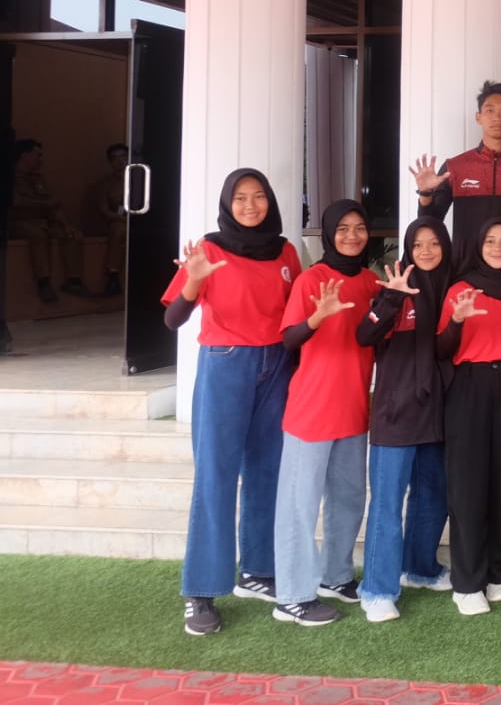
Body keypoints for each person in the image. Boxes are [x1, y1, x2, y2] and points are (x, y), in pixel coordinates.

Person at [162, 168, 302, 636]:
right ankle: (200, 590)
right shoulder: (209, 249)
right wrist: (192, 282)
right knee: (216, 474)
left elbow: (298, 312)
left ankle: (257, 571)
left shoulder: (284, 251)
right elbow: (173, 319)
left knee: (267, 471)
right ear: (227, 203)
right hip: (226, 363)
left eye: (258, 196)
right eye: (240, 198)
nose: (250, 206)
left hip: (276, 365)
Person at [272, 200, 379, 627]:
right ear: (329, 233)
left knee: (349, 499)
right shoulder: (311, 280)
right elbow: (289, 339)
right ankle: (292, 596)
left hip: (354, 408)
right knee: (299, 505)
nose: (352, 235)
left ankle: (336, 577)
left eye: (360, 227)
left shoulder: (371, 282)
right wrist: (317, 317)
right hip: (312, 410)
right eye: (343, 228)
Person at [354, 217, 455, 622]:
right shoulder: (394, 289)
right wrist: (391, 300)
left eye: (435, 243)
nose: (427, 251)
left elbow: (447, 348)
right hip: (396, 412)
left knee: (433, 495)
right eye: (418, 244)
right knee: (388, 502)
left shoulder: (451, 290)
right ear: (408, 250)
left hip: (437, 409)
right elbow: (364, 336)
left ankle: (420, 568)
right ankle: (377, 589)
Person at [436, 219, 501, 616]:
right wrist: (457, 319)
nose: (498, 247)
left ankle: (497, 573)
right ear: (478, 246)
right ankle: (467, 582)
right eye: (490, 240)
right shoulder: (461, 289)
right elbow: (441, 349)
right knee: (468, 486)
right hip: (470, 387)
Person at [409, 80, 501, 273]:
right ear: (478, 117)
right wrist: (425, 193)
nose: (497, 117)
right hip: (465, 273)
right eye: (489, 110)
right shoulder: (455, 167)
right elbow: (430, 223)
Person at [9, 138, 88, 301]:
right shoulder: (10, 178)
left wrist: (66, 225)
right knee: (38, 235)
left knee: (72, 235)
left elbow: (53, 205)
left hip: (44, 222)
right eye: (37, 155)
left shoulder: (38, 179)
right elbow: (16, 202)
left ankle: (74, 281)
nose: (41, 159)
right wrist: (45, 204)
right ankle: (43, 282)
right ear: (24, 155)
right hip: (19, 222)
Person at [85, 141, 127, 296]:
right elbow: (104, 210)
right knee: (118, 230)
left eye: (123, 156)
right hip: (119, 220)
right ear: (110, 162)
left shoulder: (140, 177)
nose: (120, 161)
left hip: (141, 219)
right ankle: (113, 276)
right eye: (115, 158)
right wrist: (122, 219)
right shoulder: (105, 184)